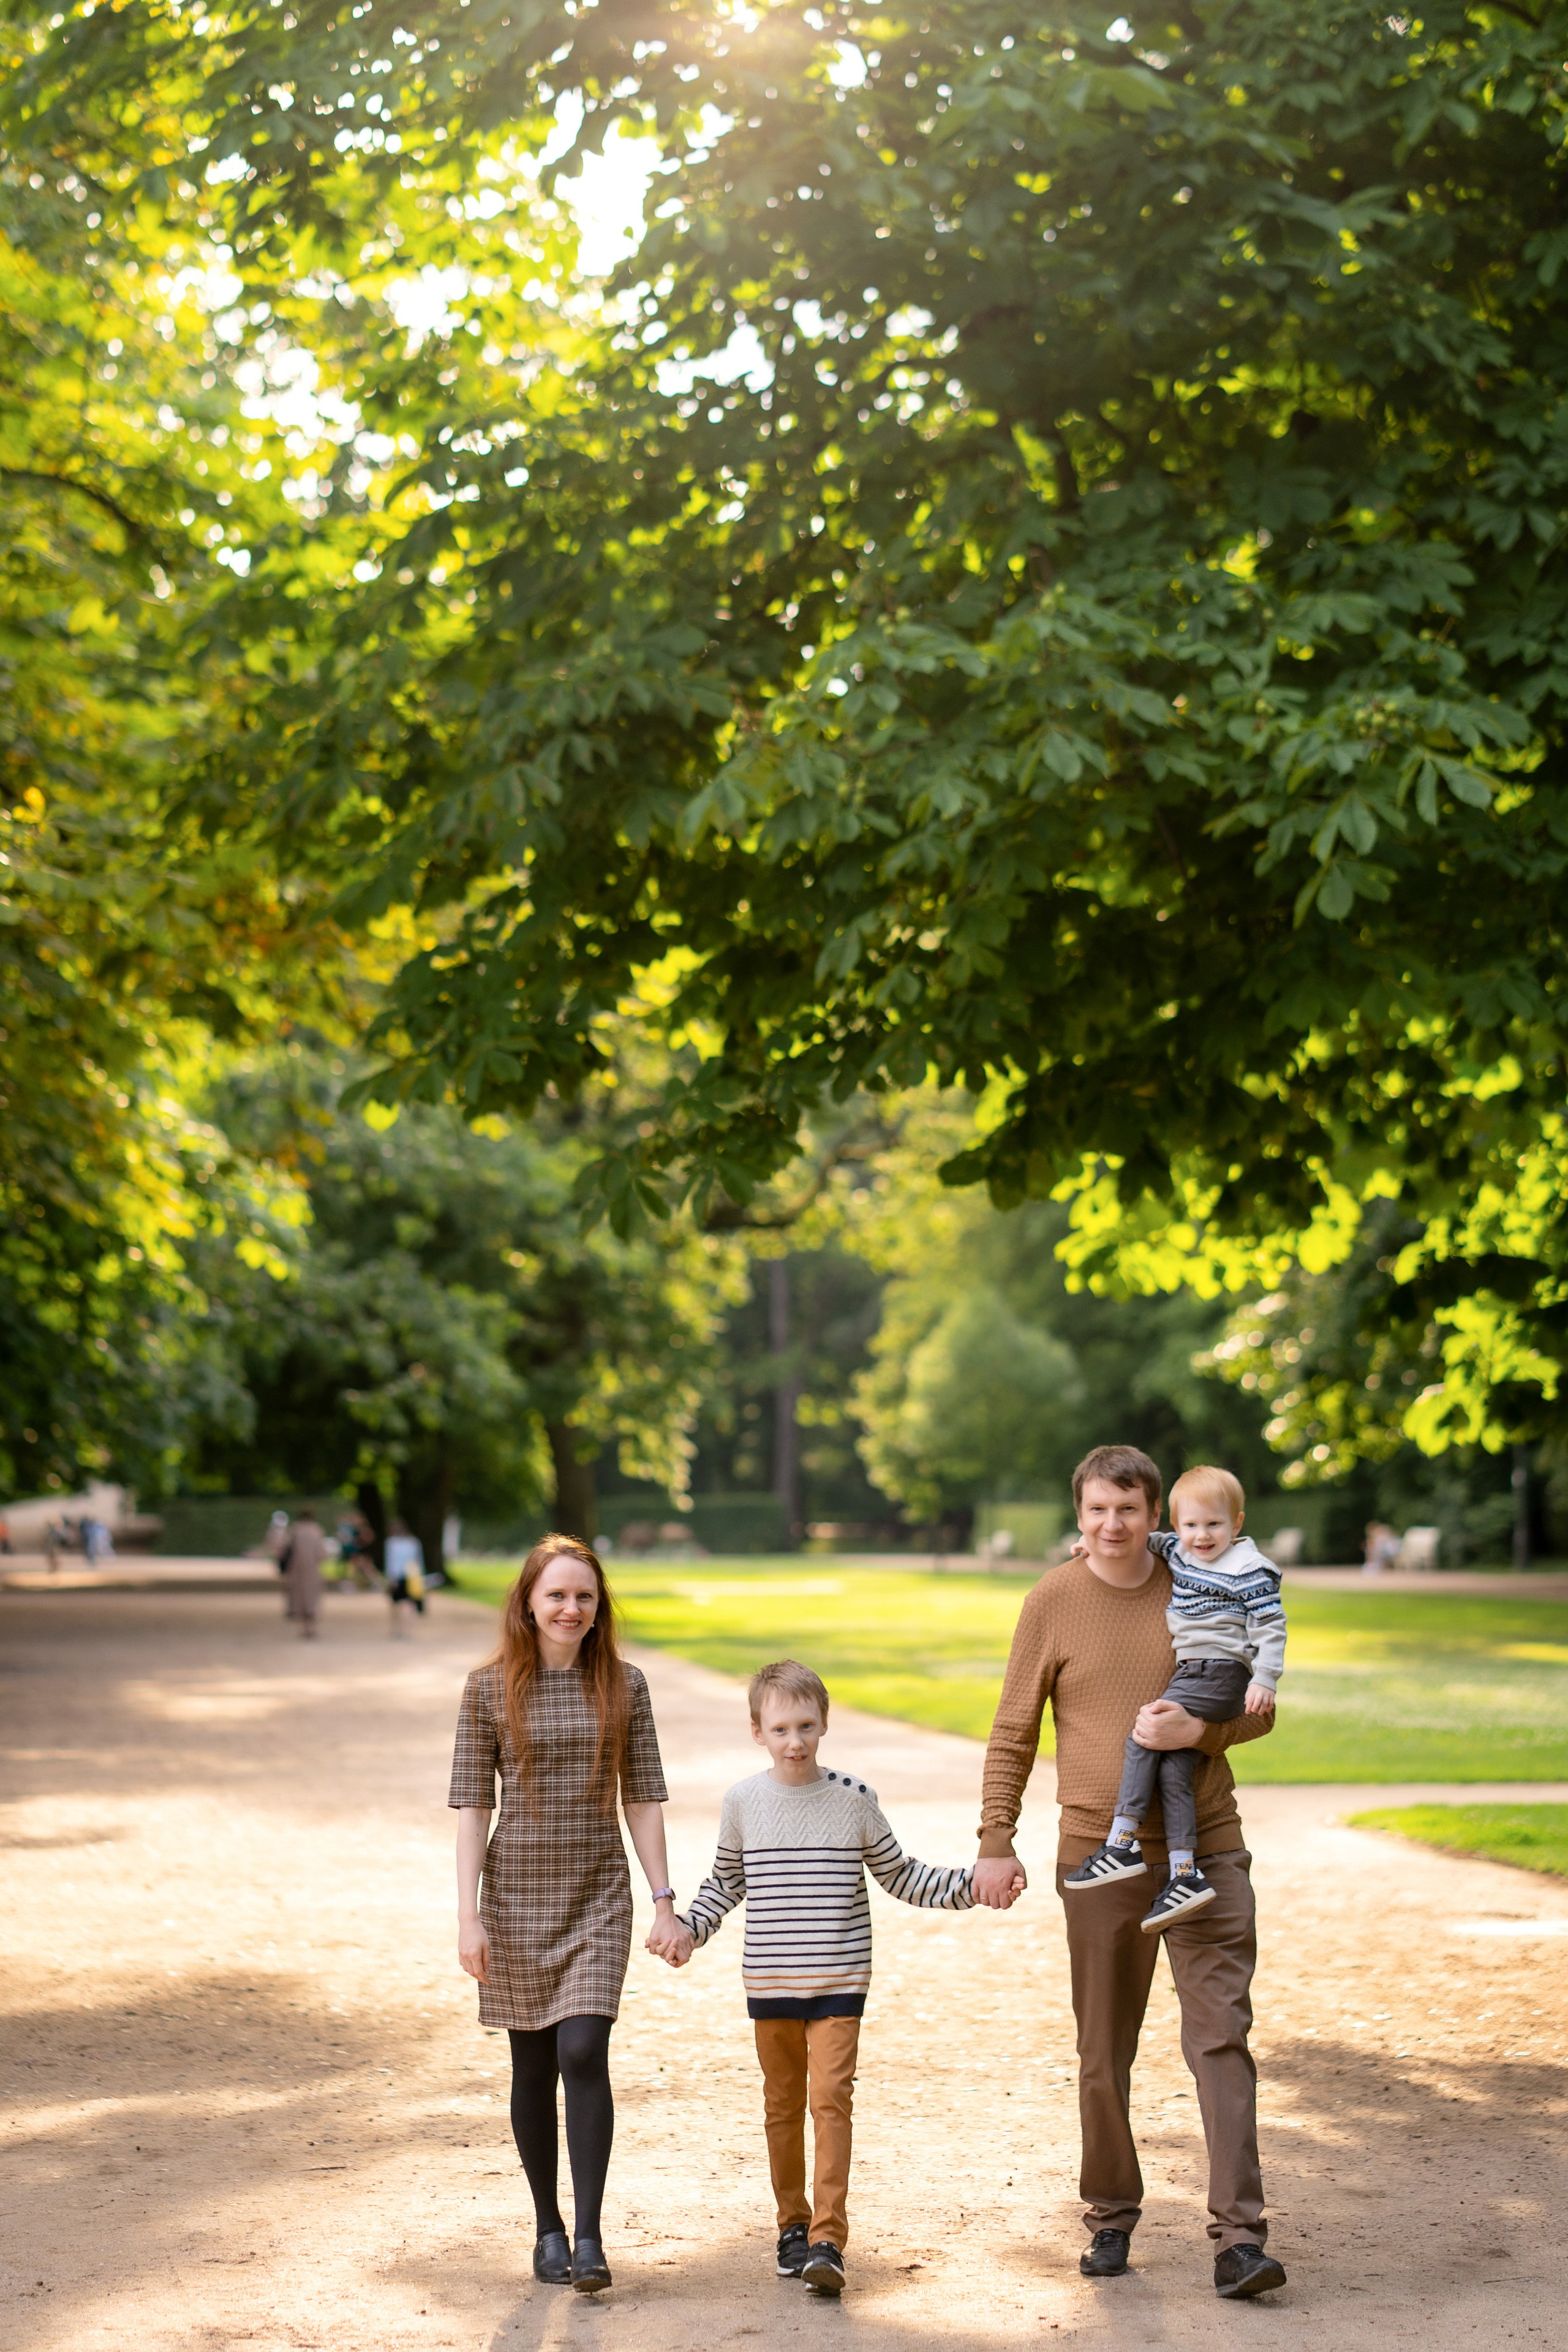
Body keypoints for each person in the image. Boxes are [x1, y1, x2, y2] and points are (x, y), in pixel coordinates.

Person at [974, 1444, 1286, 2302]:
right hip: (1098, 1858)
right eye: (1097, 1511)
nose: (1113, 1526)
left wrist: (1202, 1735)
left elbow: (1253, 1705)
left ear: (1156, 1516)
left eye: (1130, 1510)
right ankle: (1110, 2215)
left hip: (1209, 1847)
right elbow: (1013, 1730)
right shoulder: (1053, 1600)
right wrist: (995, 1835)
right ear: (1079, 1515)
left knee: (1221, 2038)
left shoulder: (1200, 1577)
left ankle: (1239, 2240)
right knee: (1103, 2049)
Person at [666, 1659, 976, 2299]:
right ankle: (792, 2224)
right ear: (757, 1732)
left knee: (830, 2100)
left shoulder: (853, 1800)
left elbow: (903, 1875)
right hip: (771, 1983)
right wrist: (688, 1930)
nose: (796, 1741)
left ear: (825, 1723)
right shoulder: (743, 1803)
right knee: (781, 2106)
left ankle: (828, 2239)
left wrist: (973, 1885)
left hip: (838, 1978)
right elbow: (725, 1883)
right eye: (781, 1729)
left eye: (807, 1726)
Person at [448, 1534, 681, 2297]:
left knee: (582, 2050)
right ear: (527, 1603)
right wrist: (467, 1916)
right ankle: (547, 2226)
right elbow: (472, 1806)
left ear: (599, 1605)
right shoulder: (486, 1690)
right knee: (532, 2063)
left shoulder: (626, 1685)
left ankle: (589, 2236)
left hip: (597, 1895)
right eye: (556, 1595)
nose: (571, 1609)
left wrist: (663, 1898)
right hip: (514, 1897)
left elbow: (641, 1795)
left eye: (584, 1596)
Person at [1063, 1466, 1286, 1931]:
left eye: (1214, 1525)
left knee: (1145, 1734)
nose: (1201, 1536)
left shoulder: (1248, 1569)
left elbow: (1271, 1627)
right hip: (1196, 1670)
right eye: (1191, 1525)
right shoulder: (1178, 1549)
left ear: (1237, 1524)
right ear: (1177, 1525)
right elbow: (1142, 1538)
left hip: (1220, 1669)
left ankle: (1121, 1843)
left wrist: (1265, 1679)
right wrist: (1090, 1545)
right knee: (1173, 1767)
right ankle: (1187, 1874)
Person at [281, 1506, 329, 1639]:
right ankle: (311, 1627)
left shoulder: (295, 1530)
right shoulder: (317, 1530)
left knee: (299, 1596)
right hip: (312, 1569)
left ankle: (303, 1628)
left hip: (297, 1568)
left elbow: (285, 1548)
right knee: (312, 1597)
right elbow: (322, 1553)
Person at [384, 1520, 426, 1637]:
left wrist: (390, 1578)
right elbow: (419, 1561)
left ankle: (396, 1629)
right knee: (410, 1604)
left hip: (397, 1576)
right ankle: (408, 1630)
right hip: (412, 1576)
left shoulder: (391, 1543)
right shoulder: (414, 1542)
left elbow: (390, 1562)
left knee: (396, 1604)